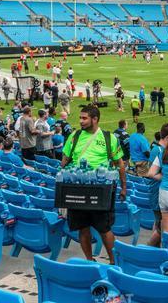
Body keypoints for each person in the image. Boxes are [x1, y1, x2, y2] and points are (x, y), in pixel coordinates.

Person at [61, 105, 127, 263]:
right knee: (82, 228)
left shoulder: (108, 137)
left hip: (101, 190)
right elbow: (64, 162)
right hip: (78, 188)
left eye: (84, 118)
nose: (81, 121)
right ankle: (90, 260)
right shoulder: (75, 136)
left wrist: (124, 187)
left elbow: (120, 164)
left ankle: (113, 262)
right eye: (80, 118)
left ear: (95, 119)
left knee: (104, 229)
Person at [146, 123, 168, 247]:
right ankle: (146, 252)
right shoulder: (158, 150)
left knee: (158, 224)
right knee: (160, 228)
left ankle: (152, 252)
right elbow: (151, 173)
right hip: (157, 193)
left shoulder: (160, 149)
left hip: (159, 192)